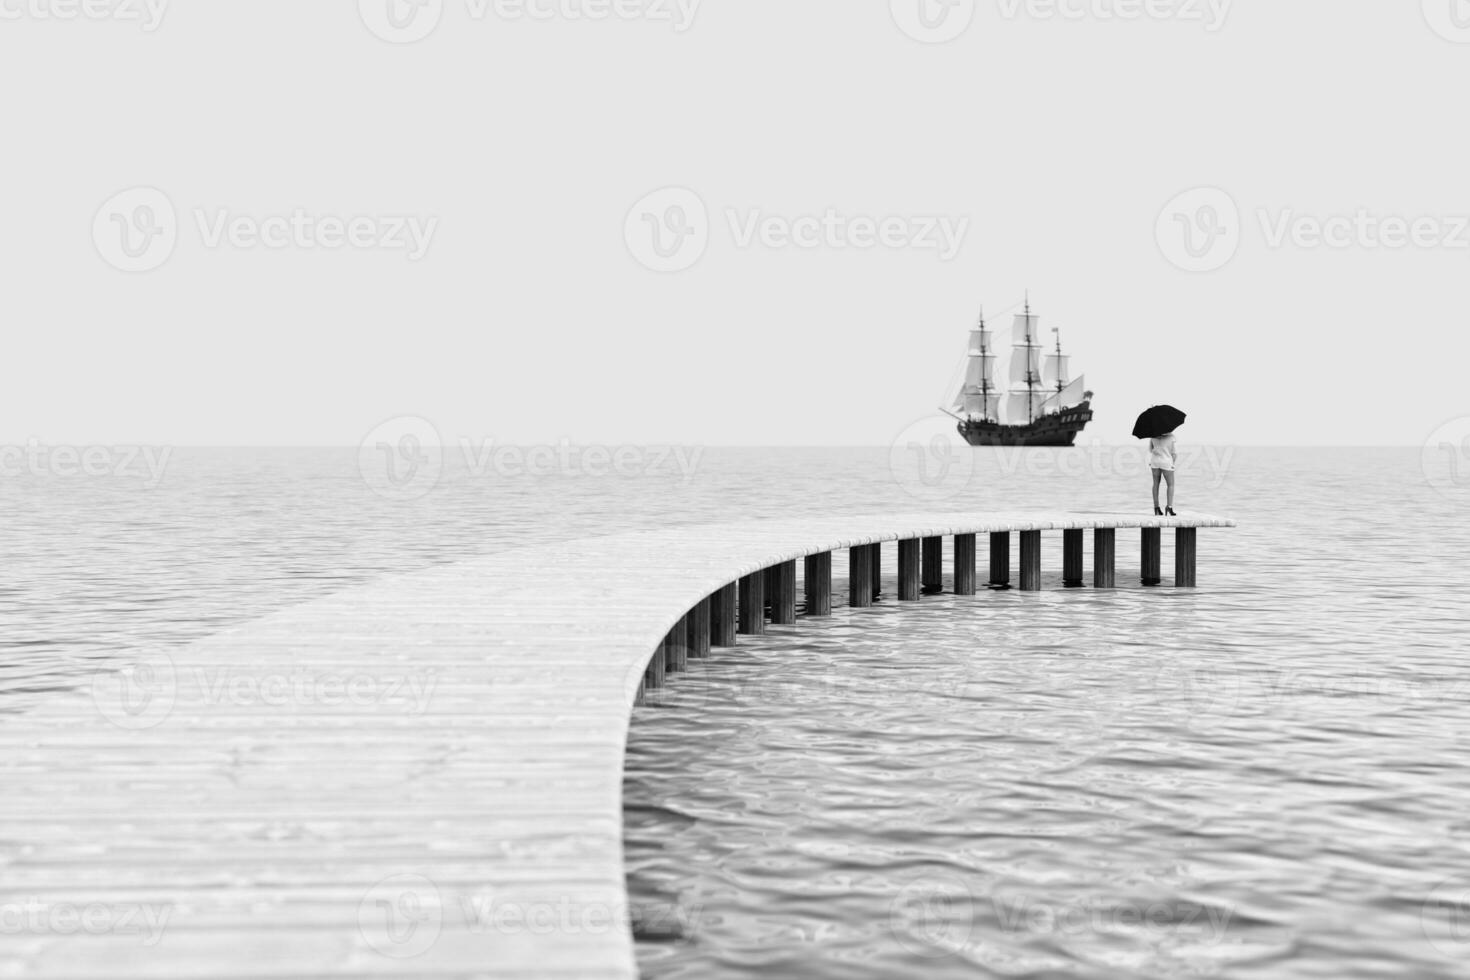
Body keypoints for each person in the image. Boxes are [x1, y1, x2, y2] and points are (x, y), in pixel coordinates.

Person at [1149, 432, 1178, 516]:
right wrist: (1172, 464)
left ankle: (1156, 508)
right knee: (1170, 485)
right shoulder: (1171, 437)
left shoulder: (1152, 436)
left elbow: (1151, 450)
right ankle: (1169, 507)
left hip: (1155, 462)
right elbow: (1175, 453)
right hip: (1166, 462)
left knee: (1156, 484)